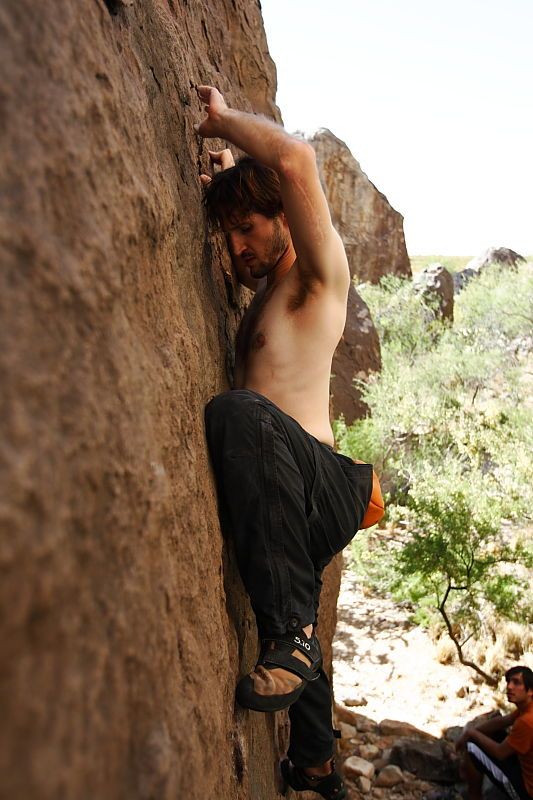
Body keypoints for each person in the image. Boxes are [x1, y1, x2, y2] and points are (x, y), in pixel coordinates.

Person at [196, 84, 374, 800]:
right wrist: (221, 186)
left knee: (238, 413)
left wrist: (224, 122)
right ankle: (314, 762)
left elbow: (296, 160)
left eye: (247, 228)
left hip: (317, 480)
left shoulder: (314, 280)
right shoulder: (269, 298)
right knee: (291, 584)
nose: (236, 247)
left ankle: (292, 639)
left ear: (283, 220)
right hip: (292, 488)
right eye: (227, 233)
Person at [456, 665, 533, 800]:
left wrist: (471, 734)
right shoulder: (527, 708)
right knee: (491, 733)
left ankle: (474, 797)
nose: (509, 687)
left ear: (530, 691)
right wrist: (472, 731)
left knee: (472, 747)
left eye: (516, 682)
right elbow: (504, 721)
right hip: (525, 770)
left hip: (526, 792)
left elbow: (500, 752)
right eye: (508, 682)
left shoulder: (526, 721)